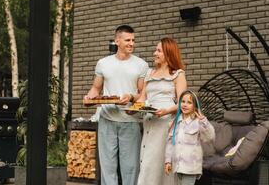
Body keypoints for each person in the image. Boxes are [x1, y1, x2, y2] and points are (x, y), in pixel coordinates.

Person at [84, 25, 149, 185]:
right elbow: (96, 88)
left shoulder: (141, 65)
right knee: (107, 168)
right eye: (127, 40)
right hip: (107, 120)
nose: (131, 43)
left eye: (133, 40)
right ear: (117, 41)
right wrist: (89, 98)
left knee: (130, 168)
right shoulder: (103, 63)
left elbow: (143, 93)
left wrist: (131, 98)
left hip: (130, 122)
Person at [136, 37, 187, 185]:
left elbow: (182, 104)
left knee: (161, 165)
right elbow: (142, 99)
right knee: (147, 164)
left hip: (166, 125)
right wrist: (132, 109)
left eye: (158, 50)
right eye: (155, 50)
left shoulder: (178, 74)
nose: (155, 53)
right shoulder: (149, 73)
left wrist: (166, 111)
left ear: (168, 53)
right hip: (150, 123)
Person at [165, 90, 215, 185]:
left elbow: (210, 137)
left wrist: (204, 122)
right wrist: (168, 161)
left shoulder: (198, 122)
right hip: (177, 166)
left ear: (195, 106)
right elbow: (170, 143)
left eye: (189, 102)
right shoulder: (175, 122)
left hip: (191, 167)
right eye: (183, 102)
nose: (185, 105)